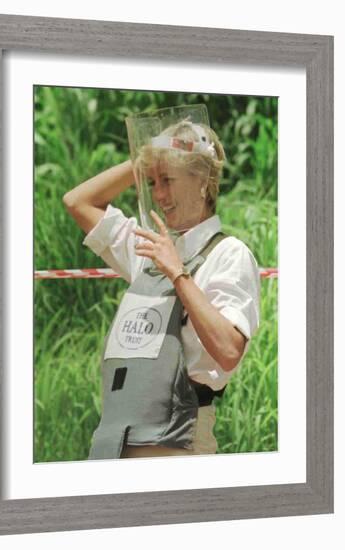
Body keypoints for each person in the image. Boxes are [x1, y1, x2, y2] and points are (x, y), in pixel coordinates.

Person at [63, 105, 260, 459]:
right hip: (115, 442)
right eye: (151, 183)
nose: (158, 195)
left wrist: (178, 274)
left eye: (167, 180)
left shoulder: (230, 254)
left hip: (179, 443)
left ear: (201, 182)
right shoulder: (151, 249)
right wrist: (144, 160)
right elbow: (78, 202)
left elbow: (229, 351)